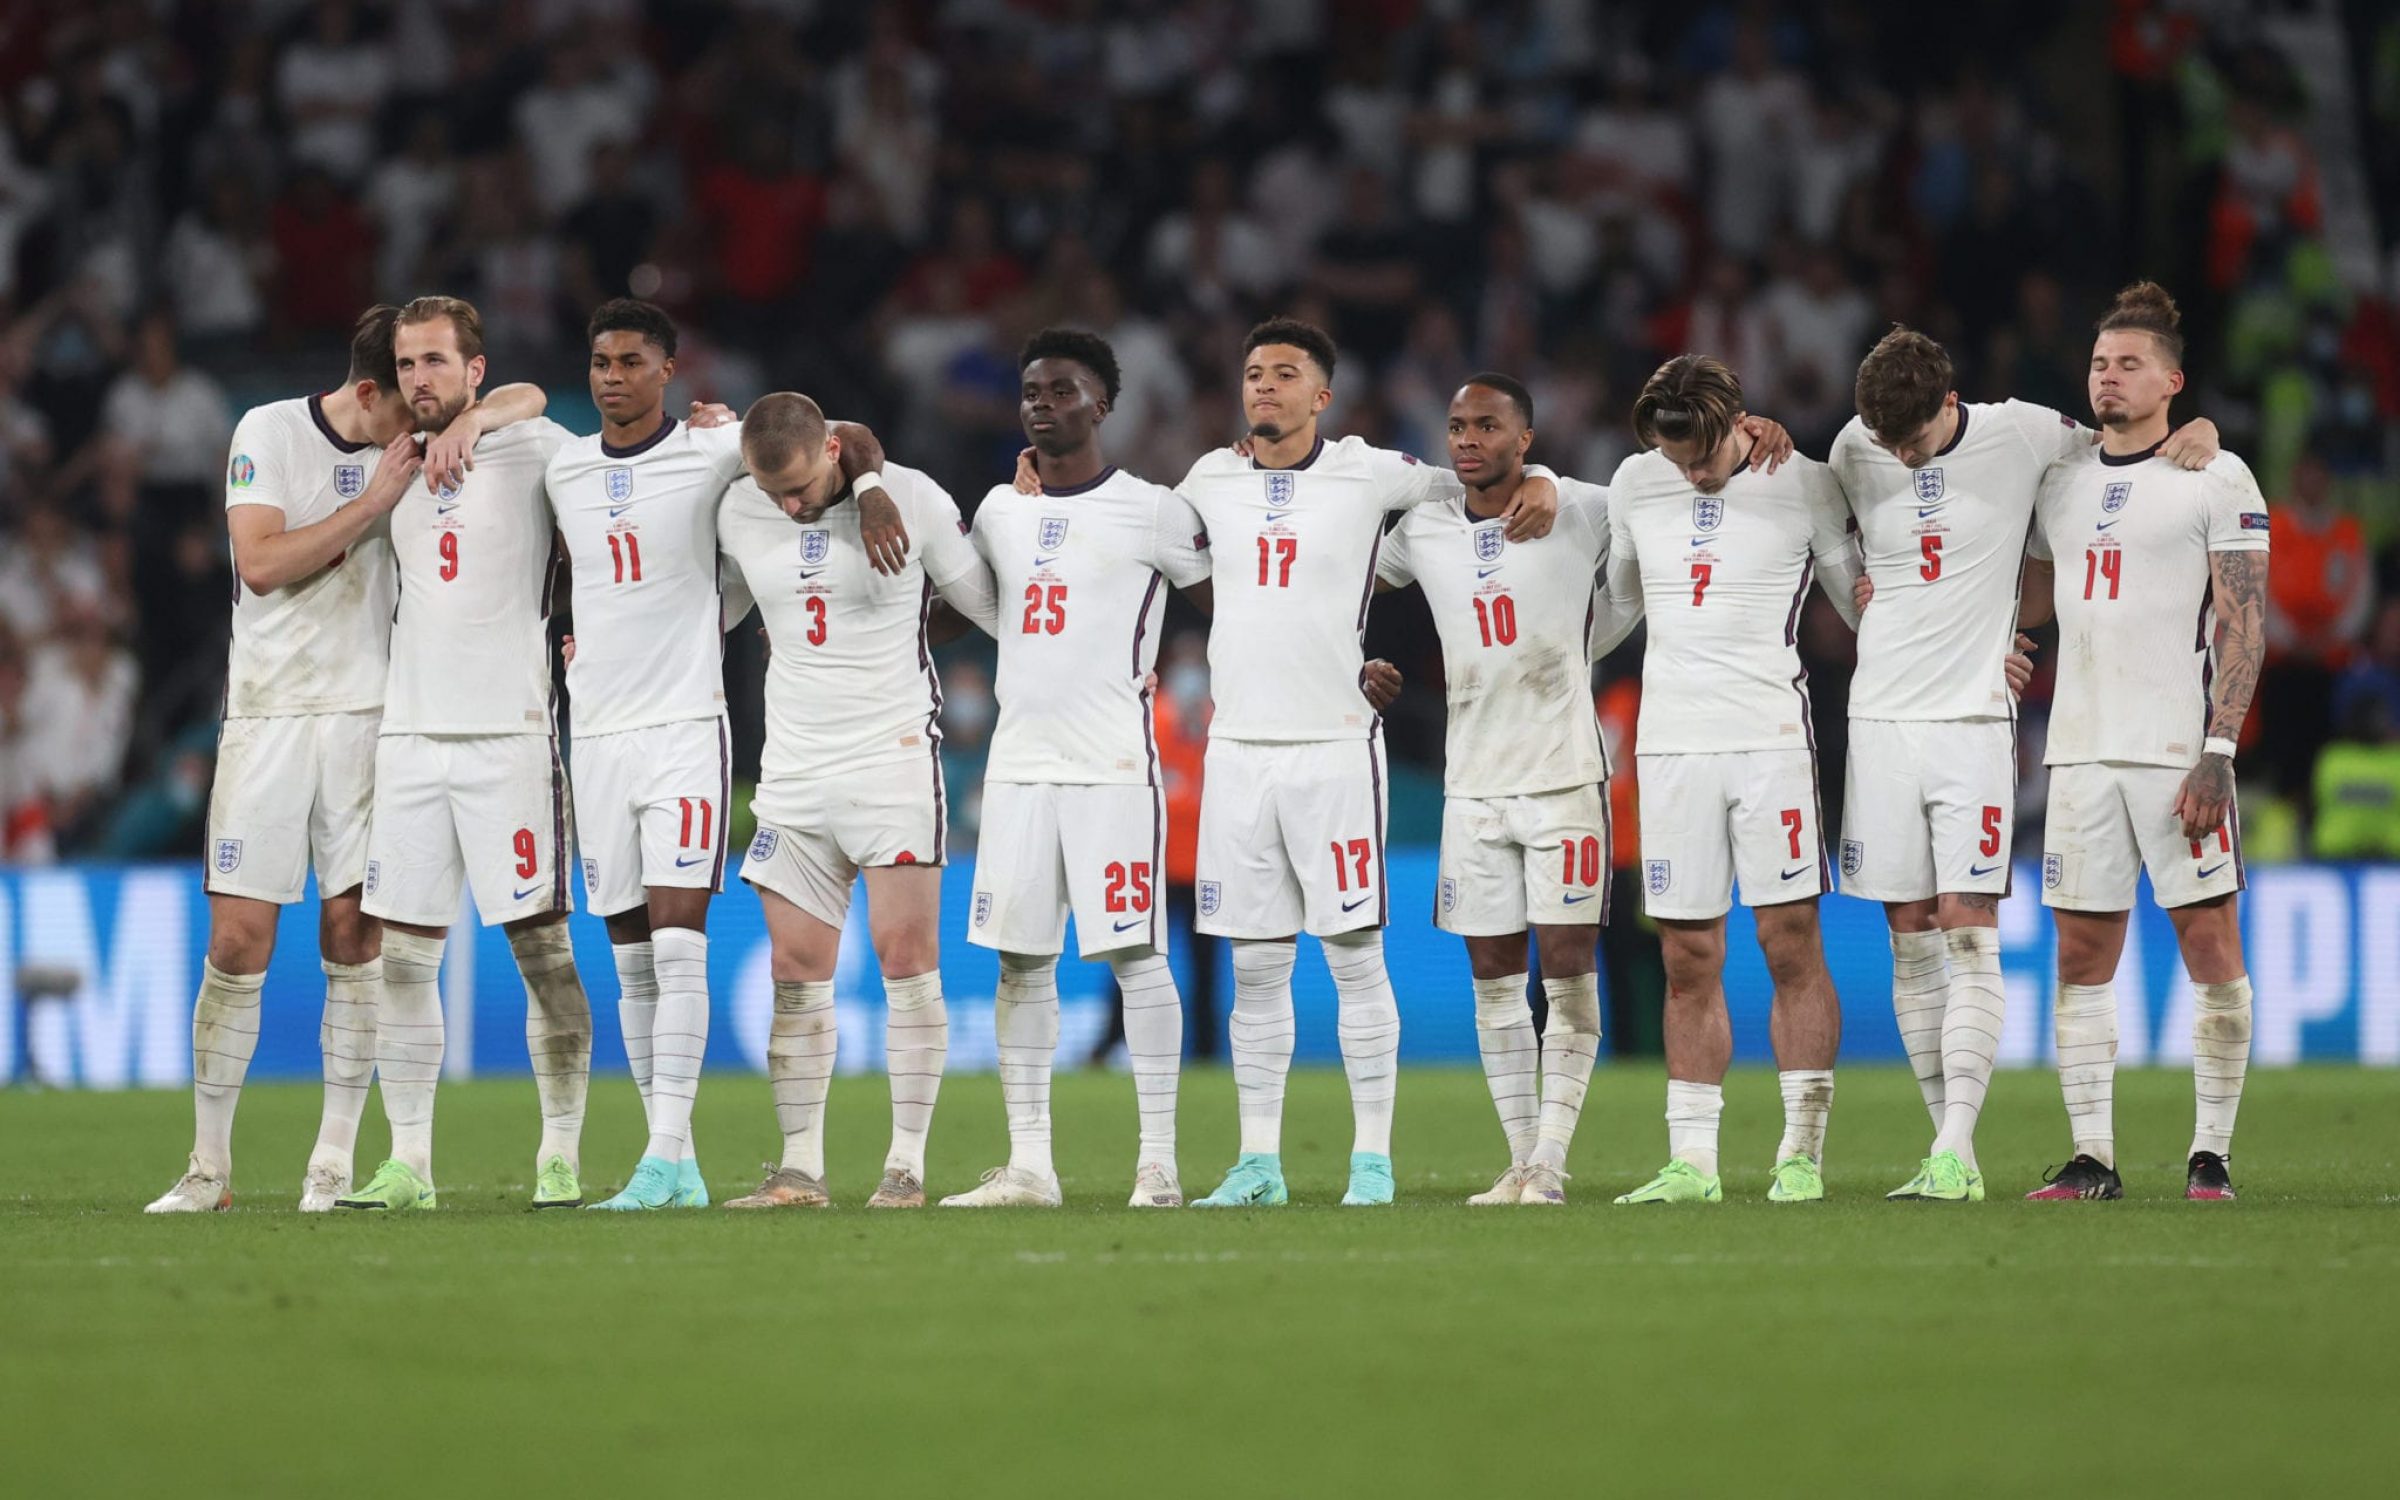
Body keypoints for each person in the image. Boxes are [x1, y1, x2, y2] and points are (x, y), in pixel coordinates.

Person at [146, 305, 549, 1214]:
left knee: (354, 938)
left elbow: (526, 393)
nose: (421, 417)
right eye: (406, 399)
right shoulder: (271, 431)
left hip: (377, 721)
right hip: (270, 715)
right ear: (372, 390)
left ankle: (332, 1159)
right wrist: (376, 499)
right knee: (238, 941)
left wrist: (477, 418)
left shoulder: (430, 430)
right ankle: (209, 1166)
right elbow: (258, 563)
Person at [1175, 317, 1556, 1209]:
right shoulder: (1209, 477)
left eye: (1284, 374)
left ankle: (1372, 1163)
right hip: (1237, 752)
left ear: (1322, 396)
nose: (1263, 386)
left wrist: (1536, 476)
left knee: (1354, 957)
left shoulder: (1370, 471)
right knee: (1257, 970)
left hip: (1336, 751)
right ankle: (1258, 1163)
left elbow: (1470, 478)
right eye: (1253, 372)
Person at [1833, 328, 2216, 1201]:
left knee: (1968, 926)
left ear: (1951, 400)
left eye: (1915, 439)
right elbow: (1820, 533)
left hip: (1973, 719)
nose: (1898, 454)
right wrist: (1861, 602)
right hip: (1879, 720)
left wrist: (2205, 432)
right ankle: (1942, 1146)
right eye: (1885, 441)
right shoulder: (1856, 442)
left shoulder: (2026, 432)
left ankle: (1959, 1150)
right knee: (1909, 936)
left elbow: (2127, 452)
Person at [551, 300, 900, 1212]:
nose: (611, 376)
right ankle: (677, 1162)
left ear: (670, 371)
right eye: (599, 361)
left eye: (631, 360)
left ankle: (665, 1156)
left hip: (684, 729)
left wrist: (869, 490)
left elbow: (844, 433)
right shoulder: (562, 464)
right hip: (592, 734)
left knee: (676, 941)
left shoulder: (714, 449)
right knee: (626, 954)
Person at [931, 330, 1215, 1207]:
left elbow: (1233, 586)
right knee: (1020, 964)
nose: (1042, 402)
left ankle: (1159, 1163)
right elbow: (980, 606)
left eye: (1062, 388)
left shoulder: (1155, 510)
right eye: (1030, 391)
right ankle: (1030, 1167)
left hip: (1112, 767)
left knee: (1136, 955)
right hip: (1019, 769)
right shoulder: (999, 510)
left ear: (1104, 404)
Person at [337, 296, 590, 1212]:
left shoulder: (535, 446)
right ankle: (410, 1163)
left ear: (473, 370)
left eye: (437, 362)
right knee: (402, 961)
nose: (420, 380)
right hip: (409, 741)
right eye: (407, 365)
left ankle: (559, 1150)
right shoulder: (388, 460)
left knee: (544, 956)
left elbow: (558, 415)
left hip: (509, 739)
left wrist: (489, 414)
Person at [719, 394, 999, 1210]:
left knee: (906, 962)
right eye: (775, 493)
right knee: (796, 972)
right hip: (794, 775)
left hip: (892, 761)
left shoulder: (912, 496)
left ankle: (904, 1169)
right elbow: (714, 606)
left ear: (835, 449)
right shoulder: (741, 504)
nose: (791, 505)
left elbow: (989, 606)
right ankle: (799, 1168)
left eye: (802, 487)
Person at [1595, 354, 1862, 1206]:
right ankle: (1693, 1164)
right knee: (1685, 956)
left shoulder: (1805, 482)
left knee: (1789, 942)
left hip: (1770, 742)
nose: (1692, 471)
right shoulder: (1638, 482)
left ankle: (1801, 1153)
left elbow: (1862, 604)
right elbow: (1618, 606)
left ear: (1741, 422)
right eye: (1676, 457)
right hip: (1670, 748)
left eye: (1703, 455)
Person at [2020, 282, 2266, 1203]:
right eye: (2097, 363)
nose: (2108, 377)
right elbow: (2038, 595)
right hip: (2079, 751)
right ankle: (2092, 1159)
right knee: (2081, 958)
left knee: (2211, 946)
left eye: (2128, 364)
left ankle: (2212, 1154)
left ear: (2173, 380)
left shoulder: (2217, 474)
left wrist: (2221, 749)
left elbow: (2246, 625)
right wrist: (2007, 639)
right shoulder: (2061, 476)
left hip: (2176, 751)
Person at [1371, 375, 1615, 1207]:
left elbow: (1672, 490)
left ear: (1526, 439)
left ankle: (1551, 1156)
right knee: (1493, 976)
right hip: (1471, 786)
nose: (1467, 439)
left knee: (1569, 967)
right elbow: (1337, 568)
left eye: (1487, 425)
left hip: (1563, 776)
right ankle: (1519, 1159)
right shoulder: (1423, 531)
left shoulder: (1580, 505)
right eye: (1456, 426)